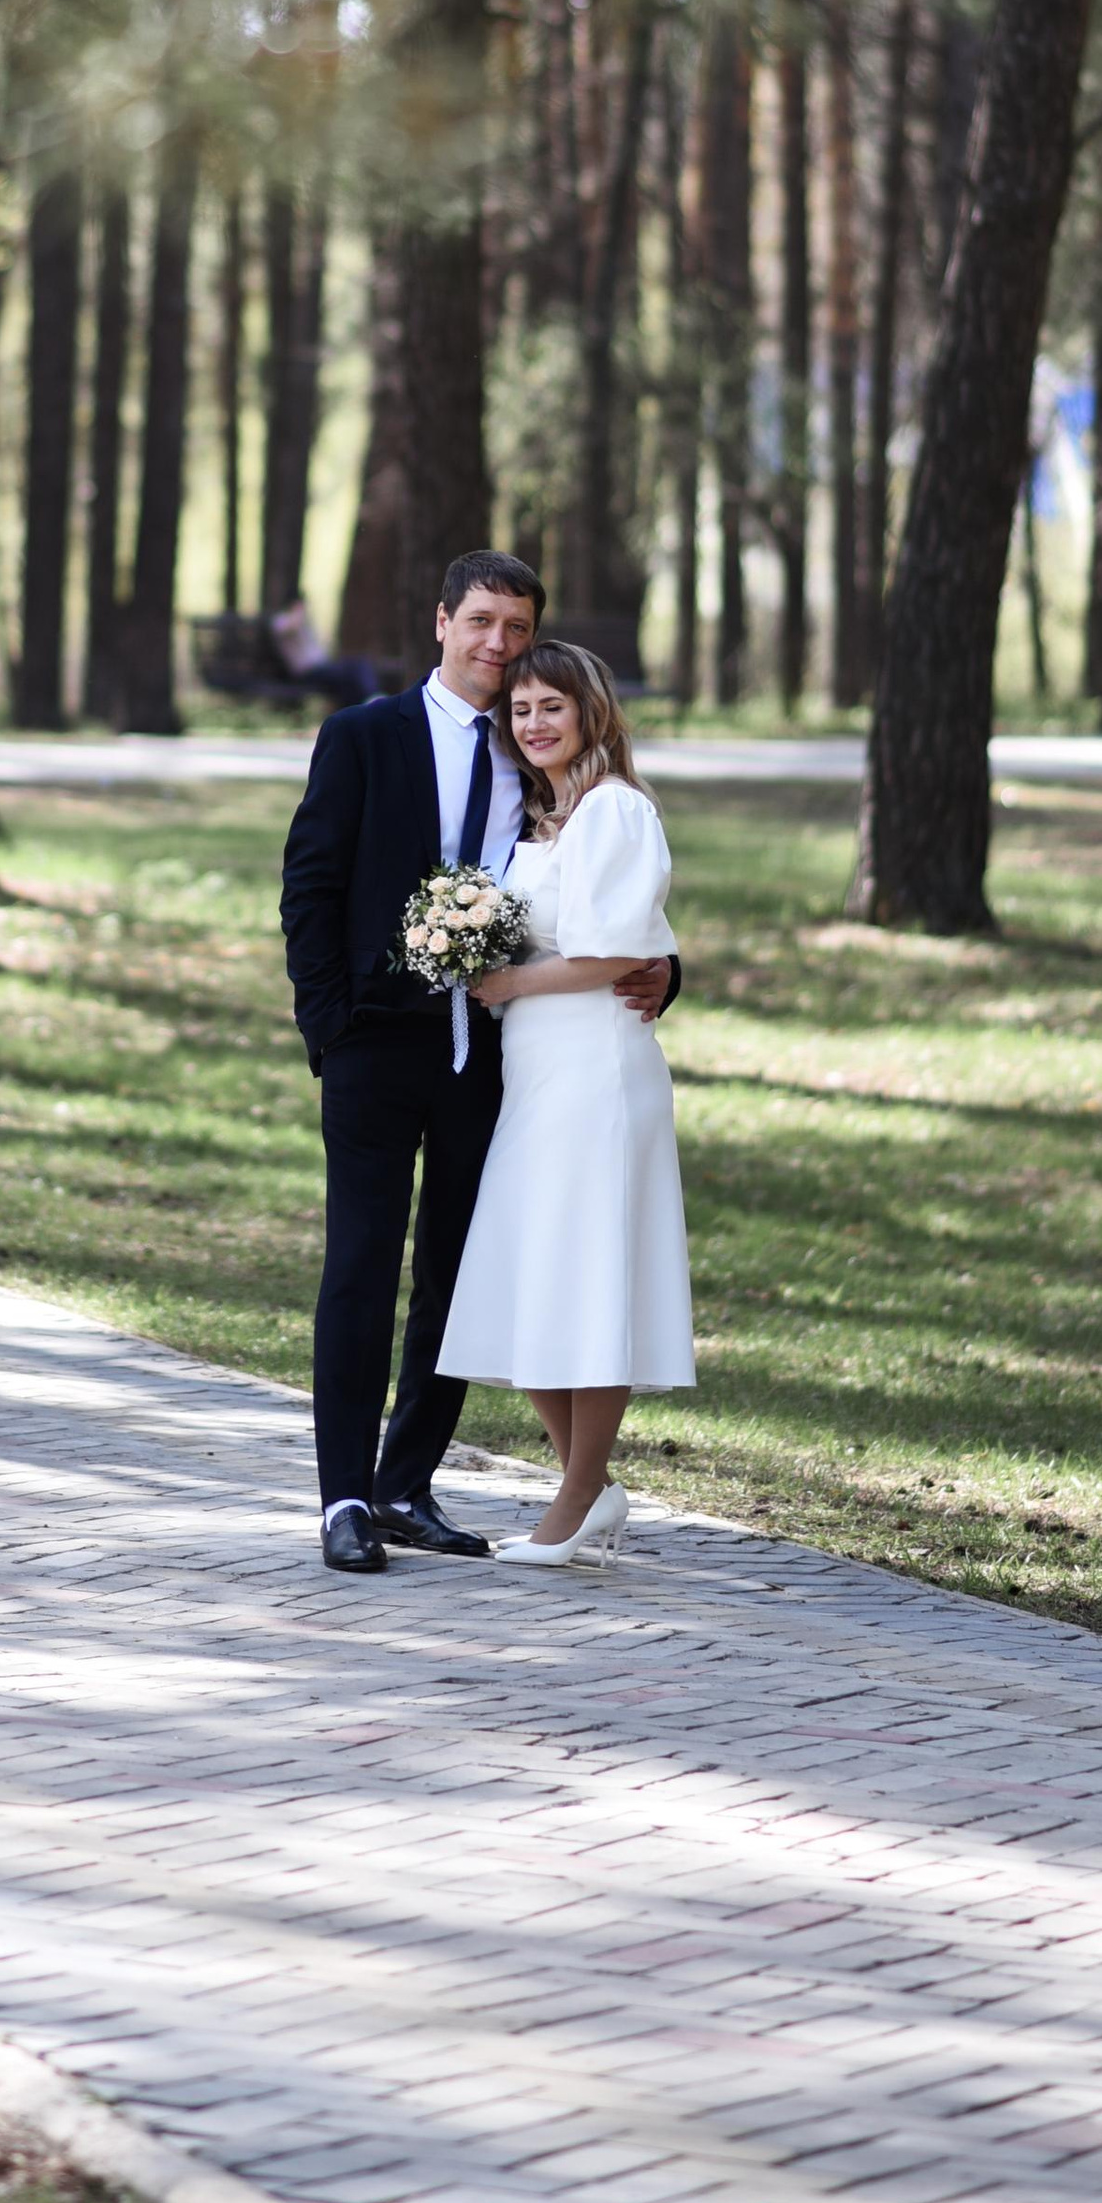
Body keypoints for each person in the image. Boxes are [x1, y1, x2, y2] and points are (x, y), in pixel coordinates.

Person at [278, 553, 675, 1577]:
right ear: (443, 620)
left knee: (452, 1279)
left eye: (517, 626)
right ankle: (346, 1499)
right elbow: (310, 887)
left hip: (490, 1068)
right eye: (482, 622)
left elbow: (593, 893)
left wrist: (662, 968)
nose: (497, 645)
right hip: (372, 1050)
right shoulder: (364, 736)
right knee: (360, 1270)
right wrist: (325, 1026)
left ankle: (409, 1483)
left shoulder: (532, 755)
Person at [441, 636, 692, 1569]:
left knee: (589, 1275)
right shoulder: (543, 822)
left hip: (595, 1070)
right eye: (520, 710)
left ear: (590, 710)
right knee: (529, 1271)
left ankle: (578, 1497)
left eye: (552, 706)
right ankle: (591, 1486)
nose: (534, 723)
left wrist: (509, 985)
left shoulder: (615, 812)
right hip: (537, 1076)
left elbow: (618, 953)